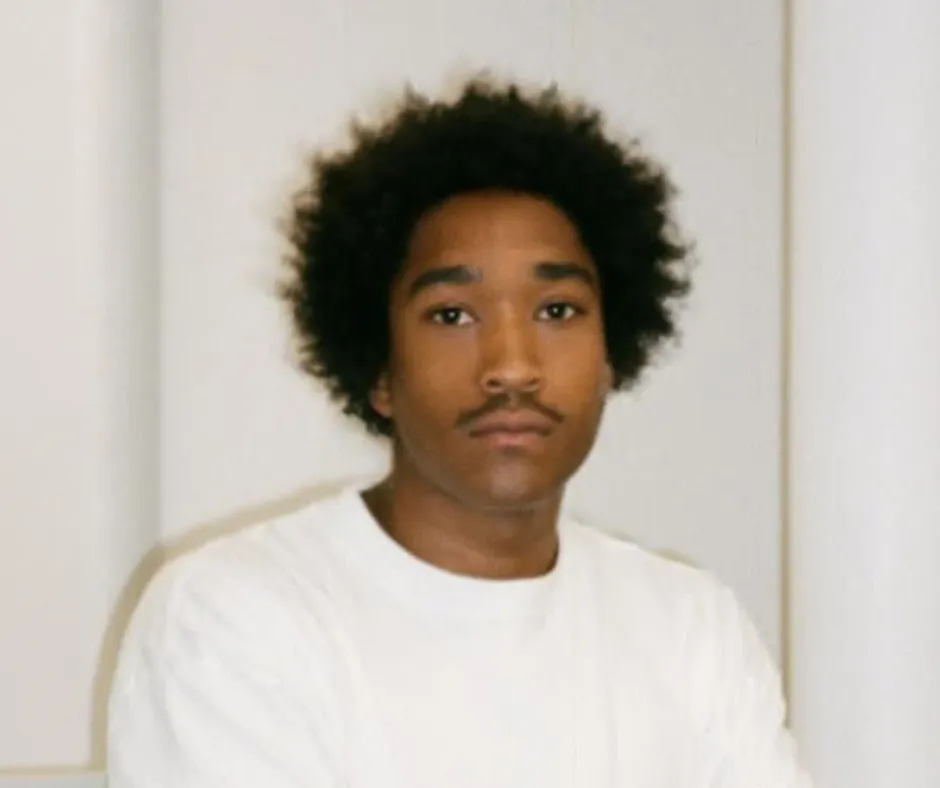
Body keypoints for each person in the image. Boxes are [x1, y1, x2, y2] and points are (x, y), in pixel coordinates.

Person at [107, 77, 813, 787]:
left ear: (610, 356)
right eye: (452, 315)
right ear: (379, 369)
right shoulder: (236, 617)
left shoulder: (690, 628)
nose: (512, 367)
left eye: (557, 310)